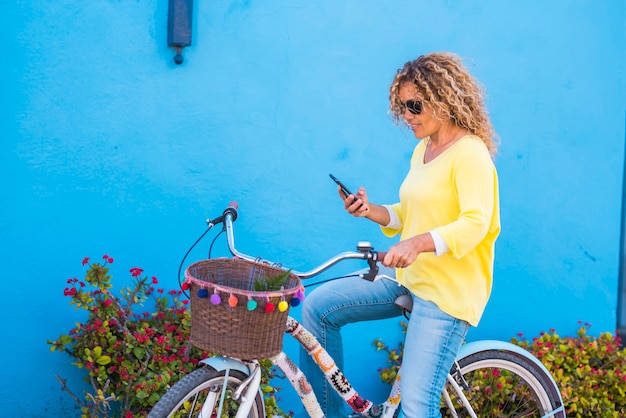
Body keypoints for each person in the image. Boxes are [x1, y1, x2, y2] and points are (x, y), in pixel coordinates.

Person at [300, 52, 501, 417]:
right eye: (401, 107)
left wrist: (418, 243)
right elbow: (409, 213)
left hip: (446, 294)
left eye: (414, 105)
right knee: (318, 310)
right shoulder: (424, 149)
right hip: (409, 278)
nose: (407, 116)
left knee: (416, 407)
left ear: (443, 98)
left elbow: (477, 222)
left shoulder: (470, 153)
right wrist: (370, 210)